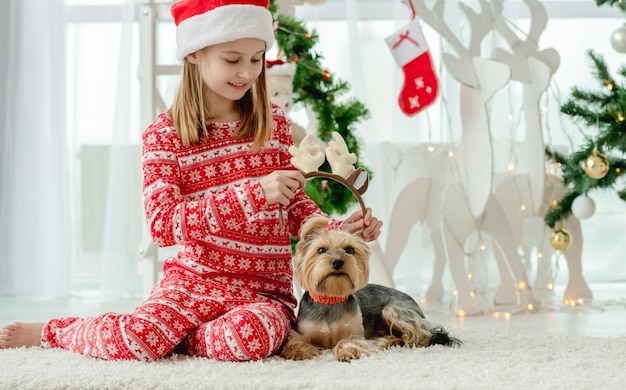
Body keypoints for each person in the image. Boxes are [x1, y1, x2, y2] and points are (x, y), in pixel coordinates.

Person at [0, 0, 382, 362]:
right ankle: (55, 332)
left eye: (255, 59)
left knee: (256, 337)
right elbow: (163, 225)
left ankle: (182, 340)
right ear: (194, 54)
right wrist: (253, 194)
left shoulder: (275, 124)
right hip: (191, 285)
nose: (247, 72)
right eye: (232, 59)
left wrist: (339, 228)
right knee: (136, 340)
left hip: (261, 292)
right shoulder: (164, 135)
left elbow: (296, 205)